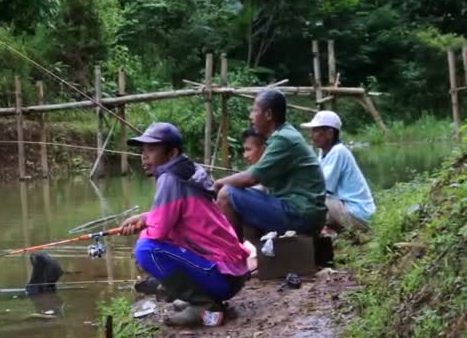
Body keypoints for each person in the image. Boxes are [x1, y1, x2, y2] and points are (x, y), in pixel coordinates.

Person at [120, 122, 249, 327]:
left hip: (222, 278)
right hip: (232, 273)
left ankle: (203, 303)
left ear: (171, 154)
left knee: (146, 250)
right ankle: (196, 296)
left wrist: (144, 227)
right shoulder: (187, 171)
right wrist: (144, 218)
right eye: (143, 151)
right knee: (153, 243)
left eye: (152, 150)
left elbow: (158, 232)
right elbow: (176, 215)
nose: (144, 156)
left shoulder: (170, 178)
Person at [214, 89, 327, 239]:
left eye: (254, 110)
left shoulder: (284, 139)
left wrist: (216, 184)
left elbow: (251, 177)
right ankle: (253, 255)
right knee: (244, 202)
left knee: (226, 194)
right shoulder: (283, 135)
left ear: (268, 114)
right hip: (301, 210)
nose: (251, 116)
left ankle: (232, 256)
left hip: (300, 213)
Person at [300, 110, 375, 231]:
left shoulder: (338, 152)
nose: (311, 135)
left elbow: (320, 188)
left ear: (329, 133)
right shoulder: (323, 152)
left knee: (313, 202)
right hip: (346, 209)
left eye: (316, 131)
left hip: (358, 214)